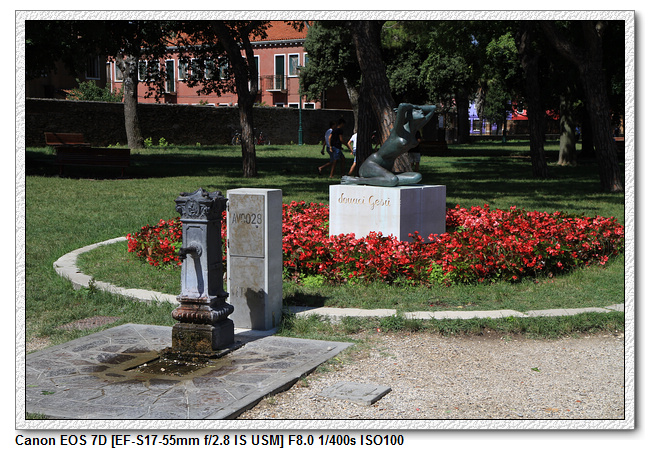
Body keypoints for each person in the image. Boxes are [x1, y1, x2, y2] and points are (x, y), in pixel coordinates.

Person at [342, 103, 436, 187]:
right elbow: (402, 106)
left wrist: (417, 107)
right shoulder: (399, 130)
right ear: (409, 116)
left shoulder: (414, 131)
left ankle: (385, 181)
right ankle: (358, 180)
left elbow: (433, 108)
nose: (420, 111)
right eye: (416, 111)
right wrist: (413, 106)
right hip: (372, 164)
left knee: (417, 177)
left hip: (387, 168)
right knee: (392, 180)